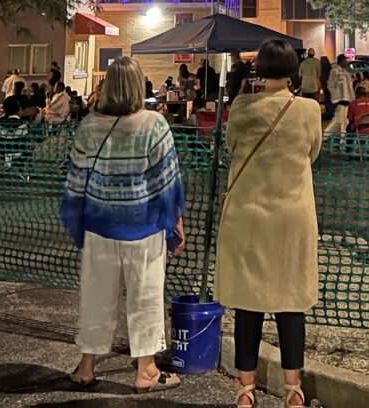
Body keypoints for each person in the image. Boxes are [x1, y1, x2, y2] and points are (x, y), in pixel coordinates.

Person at [60, 56, 186, 394]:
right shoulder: (154, 124)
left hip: (99, 225)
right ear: (138, 86)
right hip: (143, 227)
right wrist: (175, 221)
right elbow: (167, 181)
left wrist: (77, 219)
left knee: (96, 297)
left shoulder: (89, 125)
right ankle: (146, 370)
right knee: (145, 296)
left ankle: (86, 367)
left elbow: (76, 180)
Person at [215, 39, 322, 408]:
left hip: (249, 216)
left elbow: (231, 147)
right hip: (293, 217)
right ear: (294, 69)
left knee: (249, 303)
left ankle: (246, 390)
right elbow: (312, 152)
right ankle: (293, 390)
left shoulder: (242, 107)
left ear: (258, 68)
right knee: (291, 303)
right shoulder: (309, 109)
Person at [324, 54, 354, 138]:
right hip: (340, 101)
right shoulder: (335, 71)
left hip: (347, 100)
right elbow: (330, 85)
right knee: (340, 121)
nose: (346, 62)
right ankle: (328, 136)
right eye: (345, 60)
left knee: (341, 121)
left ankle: (327, 136)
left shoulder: (346, 73)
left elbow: (350, 88)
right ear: (341, 61)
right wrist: (335, 98)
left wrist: (352, 99)